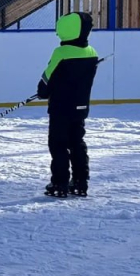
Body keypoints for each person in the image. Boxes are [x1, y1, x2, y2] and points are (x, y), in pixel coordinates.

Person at [37, 12, 98, 198]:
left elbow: (47, 79)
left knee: (59, 145)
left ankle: (59, 183)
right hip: (80, 107)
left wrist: (42, 91)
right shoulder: (91, 53)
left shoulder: (61, 53)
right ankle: (80, 182)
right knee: (77, 143)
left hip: (60, 108)